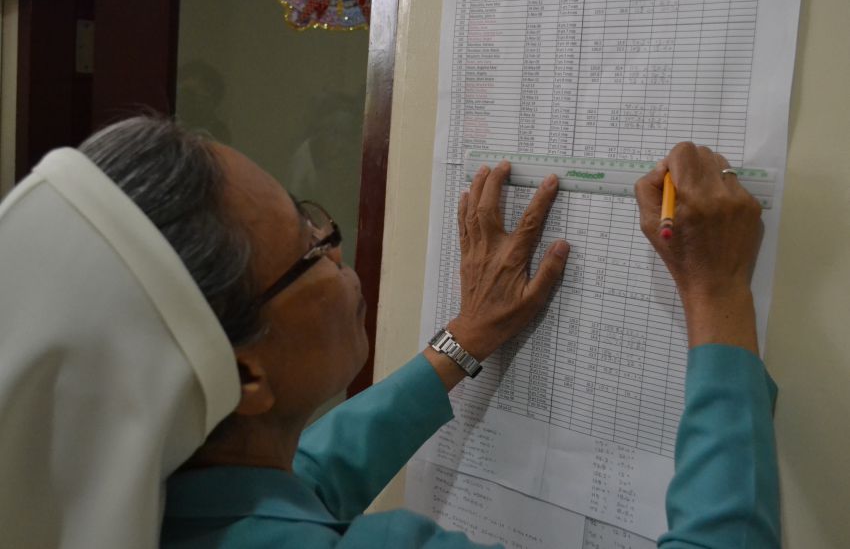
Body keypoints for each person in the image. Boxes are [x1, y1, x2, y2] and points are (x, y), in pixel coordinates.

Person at [0, 116, 778, 549]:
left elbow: (296, 477)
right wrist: (716, 296)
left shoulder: (129, 503)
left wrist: (460, 342)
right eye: (309, 247)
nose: (334, 247)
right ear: (244, 378)